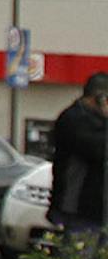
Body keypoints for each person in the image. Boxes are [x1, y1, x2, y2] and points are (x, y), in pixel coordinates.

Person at [48, 73, 108, 236]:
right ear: (99, 98)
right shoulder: (73, 120)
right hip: (77, 207)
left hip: (99, 210)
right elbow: (97, 149)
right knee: (77, 257)